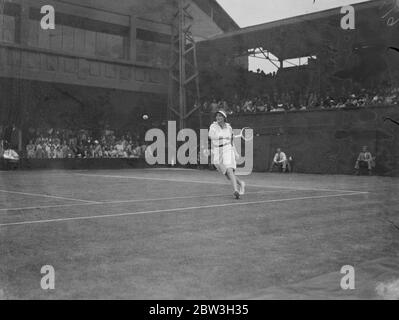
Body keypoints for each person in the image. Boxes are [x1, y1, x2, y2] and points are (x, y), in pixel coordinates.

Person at [208, 110, 245, 199]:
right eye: (217, 116)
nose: (218, 117)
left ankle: (236, 190)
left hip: (227, 148)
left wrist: (235, 152)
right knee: (228, 175)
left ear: (224, 118)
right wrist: (221, 136)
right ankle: (241, 183)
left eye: (220, 116)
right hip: (217, 150)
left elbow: (231, 141)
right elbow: (210, 136)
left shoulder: (229, 127)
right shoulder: (213, 126)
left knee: (229, 169)